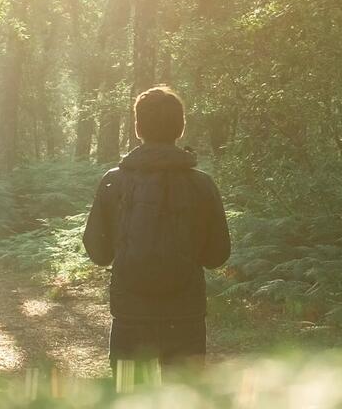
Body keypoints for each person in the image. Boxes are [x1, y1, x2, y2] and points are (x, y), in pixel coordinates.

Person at [82, 86, 231, 384]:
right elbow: (217, 255)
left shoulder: (113, 182)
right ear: (181, 126)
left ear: (138, 128)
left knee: (128, 397)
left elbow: (98, 253)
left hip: (130, 315)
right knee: (185, 399)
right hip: (186, 315)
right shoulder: (202, 185)